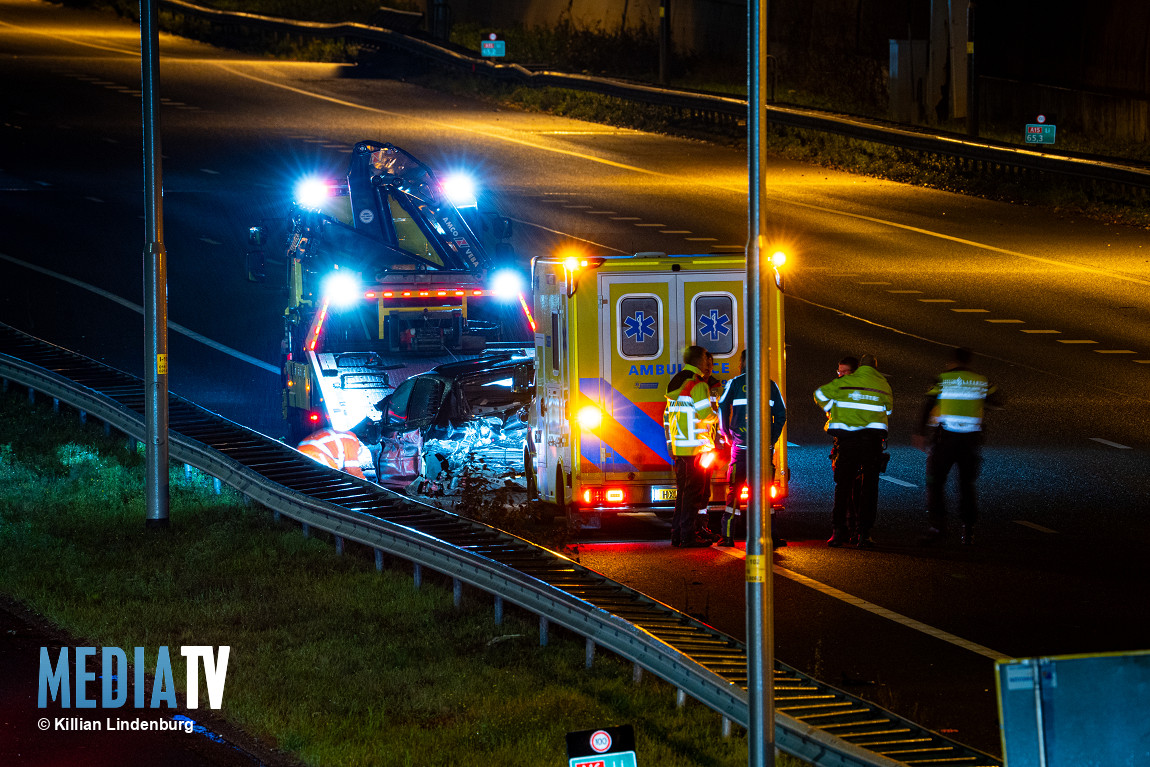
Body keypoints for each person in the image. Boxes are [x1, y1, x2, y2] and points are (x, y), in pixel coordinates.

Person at [914, 347, 1001, 546]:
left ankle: (937, 528)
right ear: (969, 362)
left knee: (935, 482)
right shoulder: (981, 381)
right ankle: (968, 530)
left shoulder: (942, 379)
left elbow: (928, 404)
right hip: (970, 441)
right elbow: (997, 401)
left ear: (952, 362)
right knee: (966, 485)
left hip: (945, 440)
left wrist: (919, 432)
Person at [813, 353, 892, 548]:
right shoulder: (882, 384)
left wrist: (834, 406)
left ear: (857, 370)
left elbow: (819, 395)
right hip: (872, 443)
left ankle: (838, 532)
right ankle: (864, 534)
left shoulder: (844, 384)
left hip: (847, 442)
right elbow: (888, 410)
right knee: (869, 489)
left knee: (843, 487)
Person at [717, 349, 787, 548]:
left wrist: (726, 433)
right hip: (763, 450)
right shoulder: (770, 385)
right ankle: (768, 536)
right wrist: (771, 439)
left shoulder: (735, 383)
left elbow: (722, 407)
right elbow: (781, 416)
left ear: (742, 363)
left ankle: (727, 536)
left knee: (734, 491)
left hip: (740, 448)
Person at [664, 345, 719, 548]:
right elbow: (706, 415)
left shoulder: (676, 383)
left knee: (684, 495)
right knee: (693, 496)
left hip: (681, 448)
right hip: (696, 448)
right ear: (699, 360)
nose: (708, 363)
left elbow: (667, 417)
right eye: (706, 359)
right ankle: (688, 537)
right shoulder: (697, 385)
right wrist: (721, 415)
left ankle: (678, 534)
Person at [298, 424, 367, 479]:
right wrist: (368, 486)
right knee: (334, 482)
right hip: (316, 452)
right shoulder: (353, 440)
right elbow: (353, 469)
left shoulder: (344, 436)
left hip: (300, 451)